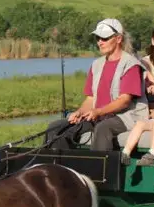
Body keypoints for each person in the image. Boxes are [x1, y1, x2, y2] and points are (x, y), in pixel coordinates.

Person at [43, 18, 148, 151]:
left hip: (127, 117)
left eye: (105, 38)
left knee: (102, 128)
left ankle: (100, 165)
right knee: (56, 127)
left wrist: (98, 111)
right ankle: (61, 163)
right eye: (98, 38)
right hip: (99, 116)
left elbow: (124, 101)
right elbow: (91, 99)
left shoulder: (131, 65)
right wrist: (80, 112)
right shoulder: (96, 65)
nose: (100, 42)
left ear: (118, 39)